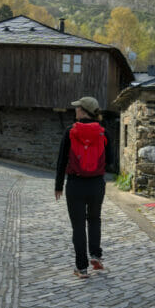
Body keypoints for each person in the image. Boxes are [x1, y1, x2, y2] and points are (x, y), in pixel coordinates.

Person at [54, 96, 113, 278]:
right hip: (96, 184)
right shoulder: (104, 132)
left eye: (77, 107)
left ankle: (81, 268)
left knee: (78, 226)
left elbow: (62, 160)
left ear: (83, 111)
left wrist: (58, 186)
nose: (75, 110)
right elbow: (111, 160)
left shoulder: (70, 131)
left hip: (75, 184)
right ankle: (95, 255)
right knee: (94, 219)